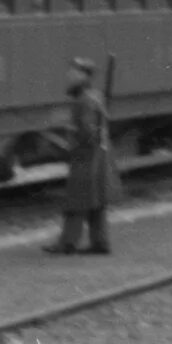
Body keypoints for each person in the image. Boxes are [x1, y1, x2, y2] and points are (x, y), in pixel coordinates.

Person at [47, 61, 120, 256]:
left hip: (86, 156)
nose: (69, 77)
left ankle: (67, 243)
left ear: (83, 76)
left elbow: (87, 132)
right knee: (95, 201)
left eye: (73, 73)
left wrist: (71, 141)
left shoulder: (84, 101)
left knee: (76, 200)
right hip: (98, 155)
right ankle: (100, 242)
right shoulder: (94, 97)